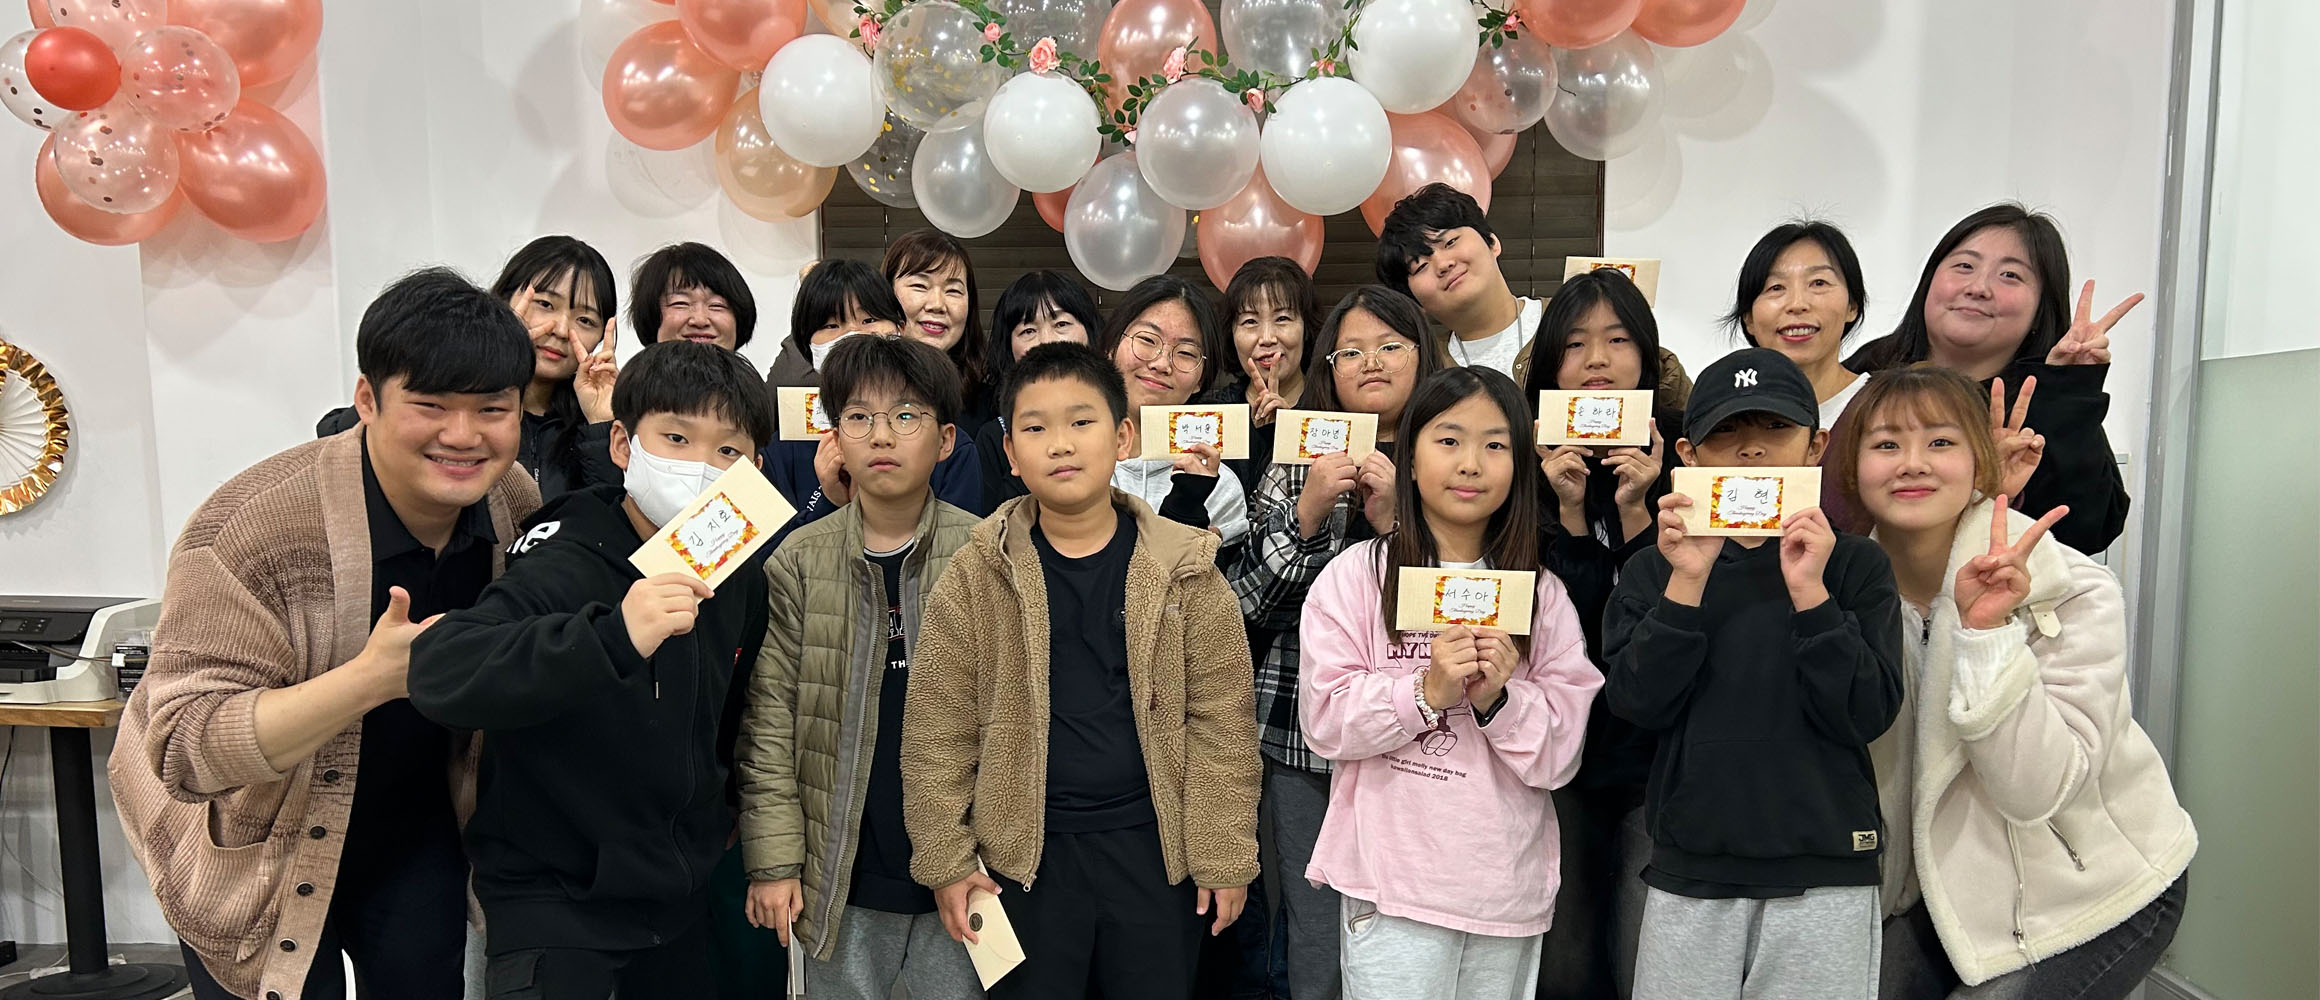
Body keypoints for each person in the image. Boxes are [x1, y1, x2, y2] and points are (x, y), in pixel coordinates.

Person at [110, 268, 542, 1000]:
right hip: (253, 835)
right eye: (431, 406)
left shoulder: (509, 501)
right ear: (367, 399)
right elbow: (186, 748)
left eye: (492, 409)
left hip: (413, 822)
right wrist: (370, 680)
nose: (463, 436)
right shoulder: (249, 530)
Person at [403, 341, 775, 999]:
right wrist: (615, 636)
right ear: (624, 445)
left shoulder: (739, 574)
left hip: (675, 898)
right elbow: (442, 670)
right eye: (677, 439)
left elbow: (731, 705)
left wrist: (719, 814)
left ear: (754, 470)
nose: (699, 467)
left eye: (727, 451)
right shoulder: (568, 552)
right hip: (555, 901)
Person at [901, 342, 1263, 1000]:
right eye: (1036, 427)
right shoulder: (976, 573)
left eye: (1081, 421)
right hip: (1020, 861)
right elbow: (937, 727)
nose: (1061, 444)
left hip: (1157, 854)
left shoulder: (1185, 568)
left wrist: (1224, 850)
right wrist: (946, 859)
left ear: (1123, 438)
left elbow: (1222, 724)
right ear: (1011, 453)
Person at [1831, 365, 2194, 999]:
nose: (1912, 463)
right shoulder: (1834, 596)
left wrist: (1986, 636)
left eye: (1940, 442)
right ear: (1851, 469)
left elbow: (2036, 791)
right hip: (1933, 892)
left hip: (2082, 890)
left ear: (1981, 461)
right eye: (1886, 444)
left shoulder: (2069, 587)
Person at [1604, 347, 1904, 1000]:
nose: (1751, 449)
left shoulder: (1854, 565)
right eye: (1727, 432)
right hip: (1693, 866)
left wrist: (1811, 593)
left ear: (1816, 445)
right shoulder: (1656, 569)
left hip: (1826, 865)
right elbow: (1635, 704)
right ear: (1689, 453)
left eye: (1775, 427)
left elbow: (1867, 712)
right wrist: (1687, 581)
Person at [1300, 365, 1604, 998]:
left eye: (1495, 445)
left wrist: (1498, 700)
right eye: (1448, 440)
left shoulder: (1541, 594)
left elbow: (1560, 757)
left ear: (1519, 467)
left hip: (1503, 890)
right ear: (1409, 461)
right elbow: (1324, 721)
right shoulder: (1357, 577)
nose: (1470, 463)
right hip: (1393, 887)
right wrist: (1424, 693)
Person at [734, 335, 983, 1000]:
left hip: (964, 871)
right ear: (835, 437)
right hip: (838, 874)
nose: (882, 435)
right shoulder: (797, 561)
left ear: (946, 439)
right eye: (859, 416)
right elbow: (769, 725)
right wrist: (774, 862)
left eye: (905, 415)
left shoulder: (987, 552)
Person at [1224, 284, 1442, 1000]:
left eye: (1389, 346)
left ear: (1422, 355)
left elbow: (1465, 598)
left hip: (1423, 734)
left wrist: (1396, 527)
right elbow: (1249, 601)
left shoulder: (1450, 455)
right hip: (1301, 735)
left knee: (1406, 913)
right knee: (1311, 919)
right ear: (1328, 367)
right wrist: (1309, 514)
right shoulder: (1299, 454)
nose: (1370, 362)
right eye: (1350, 351)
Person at [1518, 267, 1683, 999]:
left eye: (1618, 341)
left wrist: (1640, 509)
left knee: (1646, 956)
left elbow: (1666, 626)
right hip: (1563, 757)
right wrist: (1571, 514)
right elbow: (1563, 634)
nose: (1596, 361)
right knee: (1566, 958)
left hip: (1657, 760)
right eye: (1575, 344)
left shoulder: (1685, 464)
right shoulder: (1523, 472)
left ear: (1645, 358)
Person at [1843, 204, 2139, 555]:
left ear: (2040, 308)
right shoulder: (1867, 372)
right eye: (1964, 266)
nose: (1978, 287)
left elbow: (2087, 532)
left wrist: (2069, 386)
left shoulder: (2047, 396)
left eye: (2010, 275)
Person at [316, 236, 624, 499]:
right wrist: (492, 349)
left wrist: (600, 423)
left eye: (585, 320)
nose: (561, 329)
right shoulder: (443, 397)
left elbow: (612, 521)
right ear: (503, 300)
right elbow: (338, 438)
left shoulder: (598, 425)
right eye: (545, 304)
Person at [982, 275, 1251, 559]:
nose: (1161, 363)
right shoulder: (1062, 457)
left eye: (1185, 352)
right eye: (1147, 340)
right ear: (1110, 347)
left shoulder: (1218, 485)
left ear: (1201, 379)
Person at [761, 258, 983, 518]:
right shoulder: (780, 449)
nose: (852, 335)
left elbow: (961, 538)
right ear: (806, 347)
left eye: (869, 320)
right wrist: (830, 502)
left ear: (900, 328)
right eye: (831, 325)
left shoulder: (945, 443)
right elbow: (776, 543)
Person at [974, 270, 1103, 512]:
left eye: (1061, 324)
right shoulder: (994, 438)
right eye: (1028, 331)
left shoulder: (1111, 420)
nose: (1046, 341)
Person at [1195, 256, 1322, 496]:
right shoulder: (1211, 415)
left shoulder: (1330, 410)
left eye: (1282, 318)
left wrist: (1287, 430)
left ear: (1306, 328)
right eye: (1250, 321)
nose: (1266, 338)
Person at [1726, 221, 1872, 427]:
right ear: (1748, 318)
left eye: (1819, 283)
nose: (1797, 304)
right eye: (1776, 287)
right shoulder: (1724, 418)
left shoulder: (1886, 407)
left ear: (1852, 306)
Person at [883, 229, 995, 439]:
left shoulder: (993, 407)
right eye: (920, 286)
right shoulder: (861, 391)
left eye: (953, 291)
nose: (937, 305)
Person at [631, 241, 760, 350]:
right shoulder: (629, 373)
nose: (700, 320)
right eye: (680, 303)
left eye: (717, 305)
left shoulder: (758, 374)